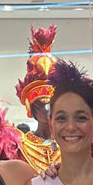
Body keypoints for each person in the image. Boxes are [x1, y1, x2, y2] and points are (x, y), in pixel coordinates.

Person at [14, 26, 62, 174]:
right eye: (43, 105)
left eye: (52, 105)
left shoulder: (69, 142)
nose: (49, 110)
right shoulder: (20, 146)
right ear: (32, 109)